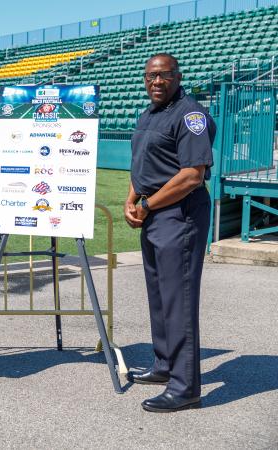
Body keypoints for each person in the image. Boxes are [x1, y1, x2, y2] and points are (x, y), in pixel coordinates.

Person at [124, 53, 215, 412]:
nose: (156, 82)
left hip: (179, 214)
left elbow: (192, 174)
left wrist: (147, 205)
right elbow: (142, 164)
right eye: (150, 76)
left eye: (163, 76)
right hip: (153, 212)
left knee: (179, 299)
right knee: (160, 296)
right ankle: (164, 365)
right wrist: (133, 200)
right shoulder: (149, 114)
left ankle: (185, 387)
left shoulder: (190, 115)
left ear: (178, 76)